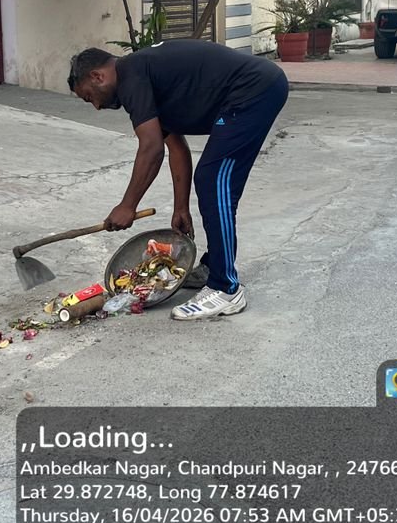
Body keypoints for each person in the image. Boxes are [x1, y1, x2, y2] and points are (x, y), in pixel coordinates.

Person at [68, 40, 289, 321]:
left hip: (253, 90)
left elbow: (151, 149)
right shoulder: (142, 77)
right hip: (255, 88)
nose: (97, 106)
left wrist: (127, 206)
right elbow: (176, 149)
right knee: (214, 179)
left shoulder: (131, 76)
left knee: (213, 179)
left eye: (90, 97)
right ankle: (215, 266)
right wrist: (180, 208)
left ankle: (225, 289)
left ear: (97, 76)